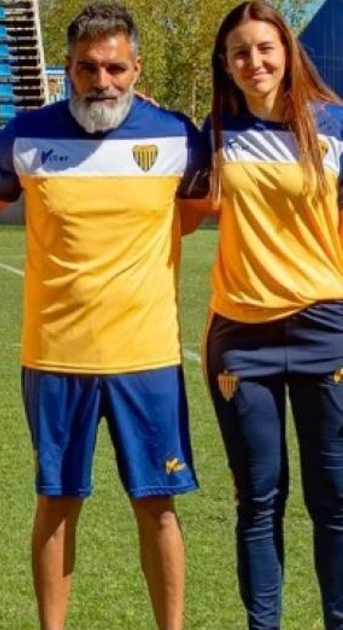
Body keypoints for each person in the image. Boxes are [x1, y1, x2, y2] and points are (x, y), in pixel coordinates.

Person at [0, 3, 205, 629]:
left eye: (115, 68)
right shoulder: (24, 136)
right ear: (66, 68)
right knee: (57, 501)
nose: (103, 81)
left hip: (147, 357)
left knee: (158, 506)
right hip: (55, 357)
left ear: (136, 68)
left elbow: (196, 210)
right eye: (88, 68)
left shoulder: (176, 135)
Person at [191, 2, 343, 627]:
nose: (253, 61)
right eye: (240, 52)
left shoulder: (333, 124)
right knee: (258, 501)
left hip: (326, 331)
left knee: (335, 502)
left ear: (287, 52)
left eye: (264, 48)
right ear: (225, 64)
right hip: (240, 338)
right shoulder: (216, 130)